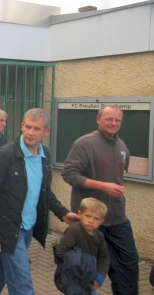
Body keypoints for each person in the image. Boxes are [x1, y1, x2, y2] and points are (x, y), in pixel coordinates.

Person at [0, 108, 78, 295]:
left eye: (37, 129)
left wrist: (63, 213)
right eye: (28, 127)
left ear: (46, 131)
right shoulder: (5, 154)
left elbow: (43, 191)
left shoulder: (45, 155)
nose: (31, 132)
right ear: (22, 126)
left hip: (27, 228)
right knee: (22, 286)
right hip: (9, 229)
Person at [61, 105, 139, 295]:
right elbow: (69, 174)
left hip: (118, 218)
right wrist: (103, 186)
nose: (113, 123)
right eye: (109, 119)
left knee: (129, 264)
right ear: (98, 120)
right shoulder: (84, 144)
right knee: (87, 268)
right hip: (91, 221)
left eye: (117, 120)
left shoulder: (122, 146)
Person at [54, 197, 109, 295]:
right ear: (79, 214)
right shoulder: (73, 231)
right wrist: (81, 263)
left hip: (89, 277)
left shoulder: (99, 236)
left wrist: (99, 277)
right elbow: (61, 251)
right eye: (87, 216)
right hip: (73, 277)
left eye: (96, 218)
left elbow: (104, 258)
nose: (91, 221)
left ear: (101, 221)